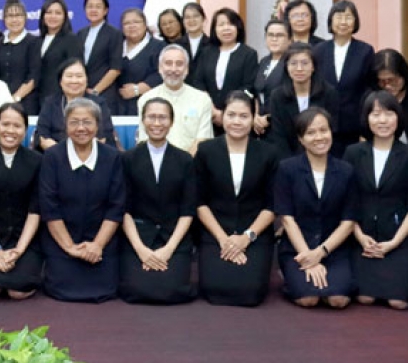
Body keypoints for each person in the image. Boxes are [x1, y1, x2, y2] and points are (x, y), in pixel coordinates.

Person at [344, 91, 408, 310]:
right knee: (364, 298)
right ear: (366, 118)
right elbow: (346, 202)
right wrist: (360, 237)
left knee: (398, 302)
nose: (382, 120)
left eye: (389, 114)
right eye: (376, 114)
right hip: (363, 238)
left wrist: (394, 242)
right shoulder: (353, 153)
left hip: (400, 239)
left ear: (398, 118)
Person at [195, 91, 281, 306]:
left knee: (251, 293)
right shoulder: (206, 151)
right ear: (222, 116)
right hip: (216, 232)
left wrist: (246, 238)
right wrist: (224, 239)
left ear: (253, 118)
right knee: (213, 290)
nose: (236, 122)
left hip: (254, 233)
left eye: (243, 116)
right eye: (231, 115)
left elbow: (272, 205)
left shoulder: (269, 153)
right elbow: (199, 202)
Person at [40, 97, 125, 303]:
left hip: (101, 242)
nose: (81, 128)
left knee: (107, 288)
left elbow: (116, 207)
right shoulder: (52, 157)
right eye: (74, 122)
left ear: (97, 125)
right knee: (61, 288)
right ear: (65, 125)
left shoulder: (113, 157)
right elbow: (49, 208)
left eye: (87, 122)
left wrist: (97, 245)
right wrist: (70, 247)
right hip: (62, 240)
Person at [272, 107, 358, 308]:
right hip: (298, 248)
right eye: (311, 133)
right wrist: (307, 257)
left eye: (323, 130)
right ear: (301, 139)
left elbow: (348, 221)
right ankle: (288, 274)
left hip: (333, 249)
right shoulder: (287, 169)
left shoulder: (346, 171)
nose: (319, 137)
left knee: (338, 300)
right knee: (308, 299)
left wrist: (320, 253)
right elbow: (287, 219)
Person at [119, 97, 196, 304]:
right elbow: (124, 210)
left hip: (173, 237)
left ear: (171, 122)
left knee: (173, 291)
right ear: (143, 120)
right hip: (139, 236)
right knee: (135, 290)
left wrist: (168, 249)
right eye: (151, 117)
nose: (156, 123)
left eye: (163, 118)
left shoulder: (185, 160)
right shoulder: (127, 159)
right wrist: (141, 250)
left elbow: (188, 210)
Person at [0, 103, 43, 300]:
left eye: (17, 126)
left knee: (17, 292)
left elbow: (35, 210)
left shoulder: (37, 161)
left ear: (25, 129)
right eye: (5, 124)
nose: (10, 131)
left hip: (25, 240)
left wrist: (19, 250)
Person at [314, 0, 374, 153]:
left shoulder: (365, 50)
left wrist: (365, 128)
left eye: (348, 17)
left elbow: (369, 89)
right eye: (339, 17)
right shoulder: (319, 50)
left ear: (355, 21)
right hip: (324, 124)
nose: (343, 22)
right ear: (331, 21)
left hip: (354, 125)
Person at [136, 44, 213, 155]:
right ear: (160, 68)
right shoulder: (146, 99)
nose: (173, 69)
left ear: (186, 69)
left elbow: (203, 140)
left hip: (192, 162)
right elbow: (144, 140)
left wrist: (184, 162)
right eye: (168, 63)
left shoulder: (202, 99)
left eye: (179, 64)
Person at [191, 8, 258, 134]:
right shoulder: (206, 52)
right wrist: (213, 110)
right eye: (221, 24)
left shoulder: (249, 54)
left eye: (231, 24)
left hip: (237, 117)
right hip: (208, 116)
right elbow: (198, 82)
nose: (226, 28)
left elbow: (249, 86)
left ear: (238, 28)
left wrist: (227, 112)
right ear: (214, 29)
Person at [268, 43, 339, 158]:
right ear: (286, 67)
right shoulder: (277, 96)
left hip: (322, 156)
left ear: (313, 67)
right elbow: (279, 137)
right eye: (293, 63)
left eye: (305, 63)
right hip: (288, 159)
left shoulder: (328, 93)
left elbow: (333, 130)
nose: (299, 68)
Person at [37, 58, 117, 150]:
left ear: (86, 80)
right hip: (56, 154)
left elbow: (103, 137)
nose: (74, 81)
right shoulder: (50, 103)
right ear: (60, 81)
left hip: (92, 154)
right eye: (69, 76)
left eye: (79, 76)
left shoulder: (99, 103)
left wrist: (79, 154)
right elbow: (43, 137)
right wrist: (62, 153)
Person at [0, 0, 41, 115]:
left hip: (26, 104)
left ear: (25, 18)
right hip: (0, 104)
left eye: (18, 15)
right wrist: (3, 100)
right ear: (4, 19)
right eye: (10, 16)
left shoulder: (34, 42)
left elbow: (33, 77)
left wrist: (15, 98)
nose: (14, 20)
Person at [76, 0, 123, 113]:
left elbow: (115, 68)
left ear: (105, 11)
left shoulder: (114, 33)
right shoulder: (81, 33)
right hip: (82, 92)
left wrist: (96, 91)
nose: (93, 10)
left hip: (104, 93)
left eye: (98, 7)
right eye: (90, 6)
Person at [115, 8, 164, 116]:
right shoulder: (115, 46)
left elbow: (163, 73)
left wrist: (139, 89)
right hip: (117, 107)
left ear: (145, 25)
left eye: (136, 22)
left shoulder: (159, 47)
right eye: (127, 23)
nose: (131, 26)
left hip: (148, 106)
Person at [36, 0, 83, 105]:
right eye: (49, 12)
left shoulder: (71, 40)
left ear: (64, 17)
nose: (53, 16)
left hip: (60, 98)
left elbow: (75, 70)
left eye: (58, 13)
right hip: (38, 98)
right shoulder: (38, 40)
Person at [253, 20, 290, 139]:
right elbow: (257, 93)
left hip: (281, 124)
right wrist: (256, 116)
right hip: (260, 126)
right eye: (270, 35)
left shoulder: (291, 62)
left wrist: (268, 118)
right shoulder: (264, 61)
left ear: (290, 39)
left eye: (280, 35)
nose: (274, 39)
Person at [179, 2, 210, 72]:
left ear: (204, 19)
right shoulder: (177, 45)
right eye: (187, 17)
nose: (191, 20)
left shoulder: (212, 44)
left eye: (195, 16)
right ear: (183, 21)